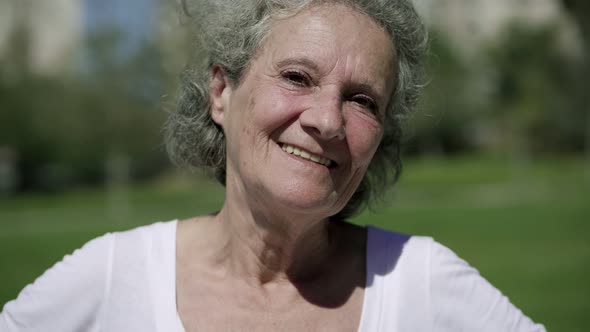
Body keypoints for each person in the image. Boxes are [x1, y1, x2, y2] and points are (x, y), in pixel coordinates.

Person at [1, 0, 546, 331]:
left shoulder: (422, 283)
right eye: (297, 78)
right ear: (221, 91)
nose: (328, 120)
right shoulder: (110, 279)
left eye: (362, 100)